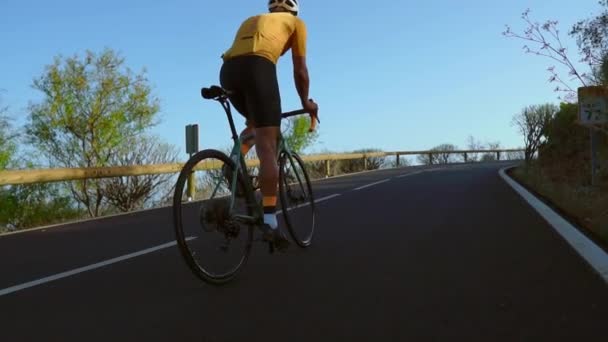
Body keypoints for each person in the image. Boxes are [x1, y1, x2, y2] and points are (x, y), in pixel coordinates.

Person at [218, 0, 318, 249]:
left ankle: (234, 162)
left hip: (228, 70)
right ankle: (270, 221)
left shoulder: (252, 20)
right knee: (267, 144)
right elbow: (300, 71)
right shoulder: (296, 23)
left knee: (255, 124)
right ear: (294, 10)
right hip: (258, 67)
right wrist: (306, 102)